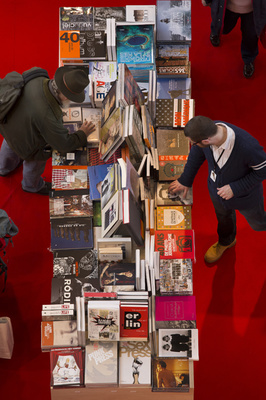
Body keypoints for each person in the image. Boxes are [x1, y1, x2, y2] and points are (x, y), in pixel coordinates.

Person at [168, 115, 266, 263]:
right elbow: (197, 153)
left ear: (205, 141)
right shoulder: (209, 131)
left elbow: (262, 171)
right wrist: (185, 180)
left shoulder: (248, 146)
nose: (192, 145)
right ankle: (227, 241)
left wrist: (235, 188)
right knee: (223, 218)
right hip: (217, 193)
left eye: (193, 143)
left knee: (258, 223)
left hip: (245, 197)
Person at [0, 66, 95, 194]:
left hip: (9, 126)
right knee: (35, 163)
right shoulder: (48, 116)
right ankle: (31, 186)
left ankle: (3, 168)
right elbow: (64, 144)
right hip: (29, 144)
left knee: (9, 145)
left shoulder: (38, 76)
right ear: (66, 97)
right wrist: (82, 134)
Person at [202, 0, 266, 78]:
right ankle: (215, 32)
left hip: (252, 10)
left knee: (250, 37)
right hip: (228, 7)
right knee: (222, 26)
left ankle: (249, 59)